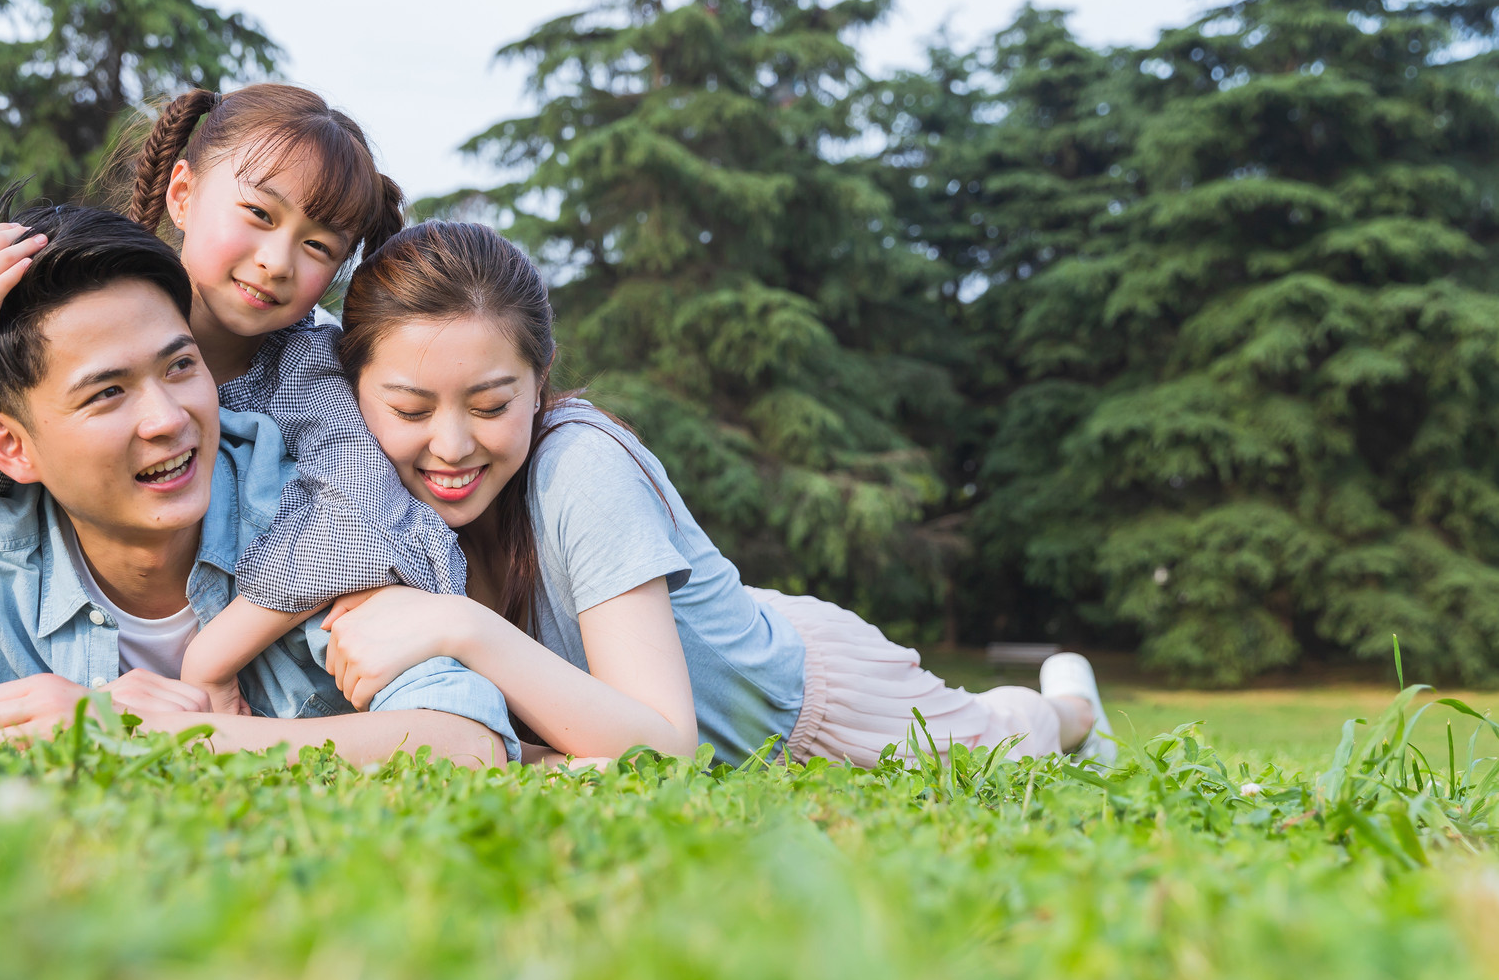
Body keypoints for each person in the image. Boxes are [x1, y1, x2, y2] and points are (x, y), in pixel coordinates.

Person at [0, 205, 518, 768]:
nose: (169, 418)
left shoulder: (310, 525)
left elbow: (466, 736)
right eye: (108, 393)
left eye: (182, 367)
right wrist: (27, 717)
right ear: (10, 446)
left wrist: (180, 735)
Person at [310, 222, 1116, 768]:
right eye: (411, 409)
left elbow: (663, 750)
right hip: (705, 634)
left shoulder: (579, 464)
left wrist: (460, 624)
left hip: (813, 703)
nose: (451, 446)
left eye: (490, 406)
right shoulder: (364, 489)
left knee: (1013, 736)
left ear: (540, 382)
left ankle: (1073, 702)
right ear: (356, 392)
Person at [0, 84, 465, 718]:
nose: (277, 260)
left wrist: (211, 657)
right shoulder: (77, 313)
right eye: (259, 215)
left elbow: (357, 504)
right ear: (182, 193)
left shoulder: (308, 371)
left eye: (318, 246)